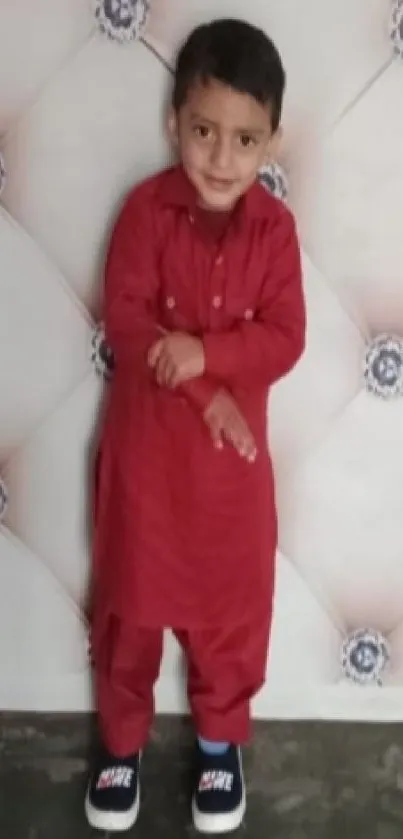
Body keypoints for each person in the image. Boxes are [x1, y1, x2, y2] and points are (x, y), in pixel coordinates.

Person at [85, 17, 306, 835]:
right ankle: (120, 742)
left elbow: (285, 336)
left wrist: (209, 358)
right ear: (174, 118)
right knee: (131, 612)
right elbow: (129, 321)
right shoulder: (144, 213)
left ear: (270, 142)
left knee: (227, 615)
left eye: (244, 140)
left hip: (228, 482)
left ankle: (220, 742)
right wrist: (203, 388)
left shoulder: (275, 233)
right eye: (205, 131)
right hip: (144, 468)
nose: (221, 158)